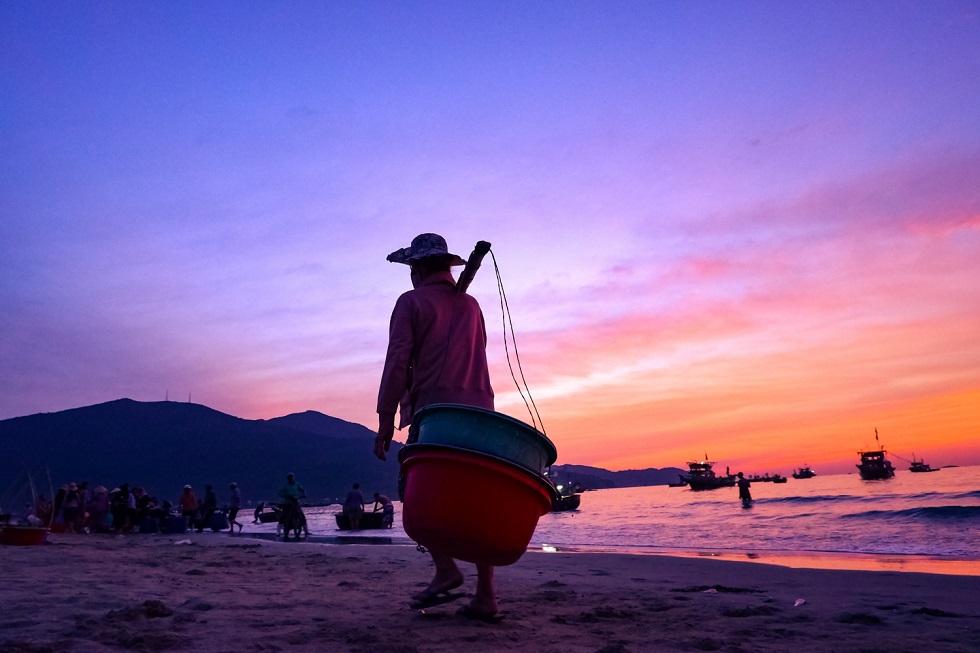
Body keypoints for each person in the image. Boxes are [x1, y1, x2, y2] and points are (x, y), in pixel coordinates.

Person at [374, 233, 499, 621]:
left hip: (435, 415)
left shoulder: (411, 302)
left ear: (418, 268)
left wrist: (384, 420)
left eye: (412, 268)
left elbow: (398, 362)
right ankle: (485, 595)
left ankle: (446, 570)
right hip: (481, 414)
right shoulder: (472, 305)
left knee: (418, 496)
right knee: (477, 504)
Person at [277, 473, 306, 539]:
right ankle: (278, 532)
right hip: (287, 503)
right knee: (283, 516)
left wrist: (304, 494)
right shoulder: (285, 485)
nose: (292, 479)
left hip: (296, 501)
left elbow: (302, 489)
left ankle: (306, 531)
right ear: (288, 479)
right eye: (290, 478)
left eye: (293, 478)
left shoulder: (297, 484)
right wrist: (285, 496)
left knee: (301, 515)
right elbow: (279, 492)